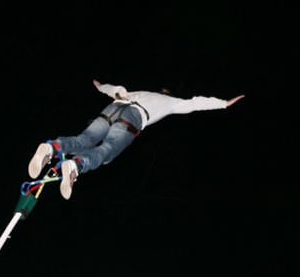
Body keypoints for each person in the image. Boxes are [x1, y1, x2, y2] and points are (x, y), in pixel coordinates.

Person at [28, 79, 245, 199]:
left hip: (115, 106)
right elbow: (194, 103)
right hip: (133, 117)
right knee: (108, 150)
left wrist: (102, 86)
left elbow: (117, 90)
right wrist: (223, 103)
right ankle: (76, 164)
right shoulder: (170, 102)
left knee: (85, 138)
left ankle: (53, 147)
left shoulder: (140, 91)